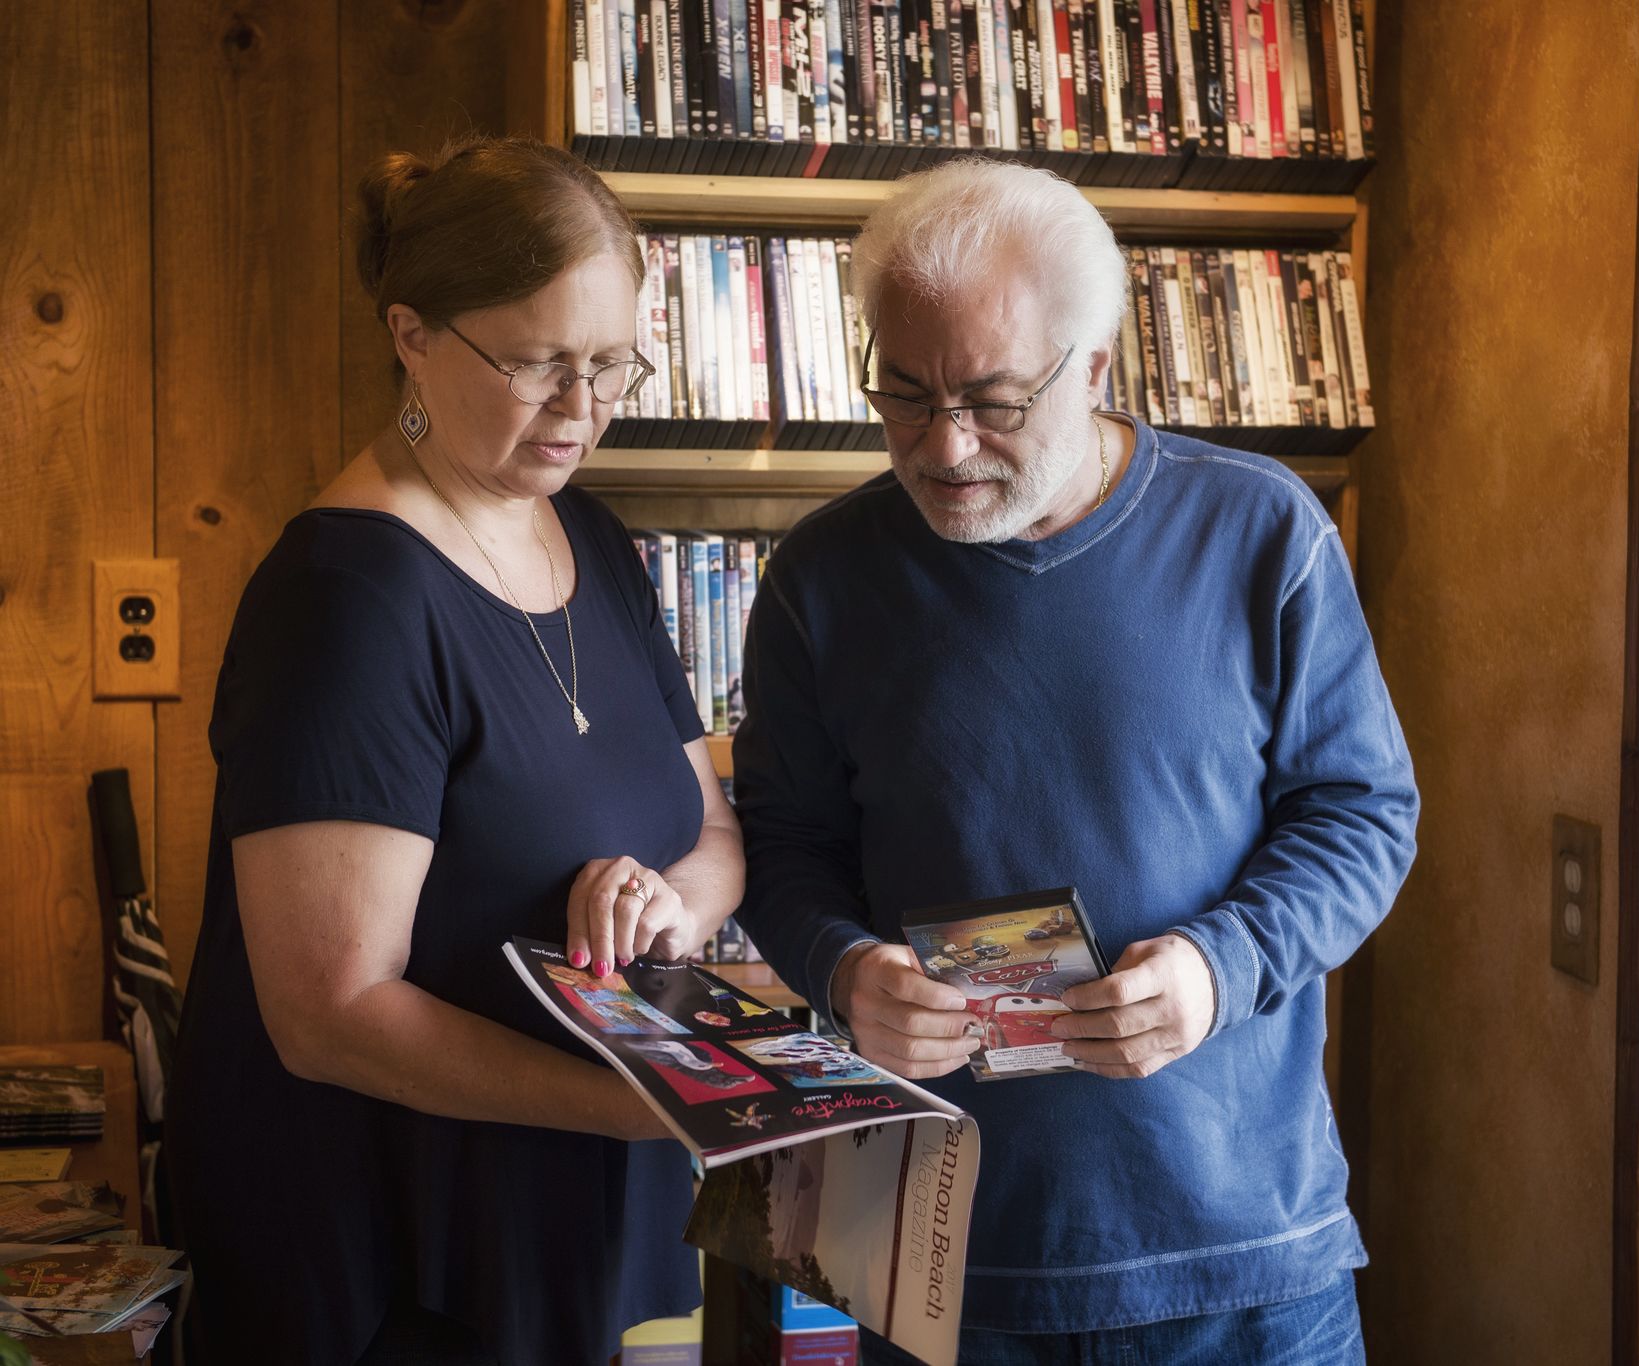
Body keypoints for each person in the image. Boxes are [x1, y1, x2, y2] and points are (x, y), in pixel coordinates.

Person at [731, 160, 1418, 1364]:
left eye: (992, 400)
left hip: (1238, 1254)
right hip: (935, 1257)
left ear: (1091, 367)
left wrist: (1222, 967)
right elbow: (782, 847)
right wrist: (842, 973)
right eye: (901, 393)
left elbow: (1360, 814)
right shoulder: (818, 580)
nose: (941, 446)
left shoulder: (1260, 530)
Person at [166, 136, 743, 1366]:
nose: (581, 407)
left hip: (565, 1217)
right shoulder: (347, 595)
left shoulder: (587, 532)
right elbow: (332, 1012)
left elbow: (714, 829)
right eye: (537, 362)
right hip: (395, 1253)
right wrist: (647, 1103)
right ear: (411, 332)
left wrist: (664, 904)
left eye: (610, 363)